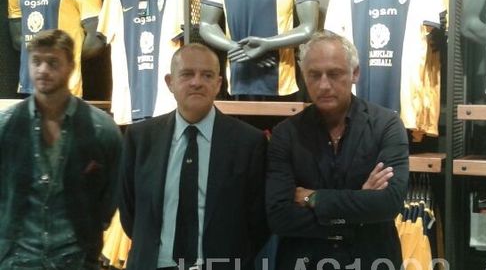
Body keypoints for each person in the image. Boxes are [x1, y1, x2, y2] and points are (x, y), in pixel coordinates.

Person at [266, 31, 409, 270]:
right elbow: (279, 217)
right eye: (314, 75)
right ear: (303, 75)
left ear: (355, 73)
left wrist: (313, 198)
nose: (324, 85)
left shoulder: (386, 125)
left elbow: (389, 203)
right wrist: (360, 205)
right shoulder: (285, 134)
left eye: (334, 74)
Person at [119, 43, 268, 270]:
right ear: (170, 82)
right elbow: (130, 212)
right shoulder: (140, 138)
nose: (196, 82)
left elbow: (259, 222)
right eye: (187, 74)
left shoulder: (249, 143)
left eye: (207, 75)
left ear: (218, 84)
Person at [0, 29, 122, 269]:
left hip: (77, 259)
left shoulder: (101, 129)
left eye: (53, 62)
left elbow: (112, 194)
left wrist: (89, 231)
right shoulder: (7, 125)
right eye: (36, 61)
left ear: (71, 66)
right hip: (17, 259)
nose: (43, 70)